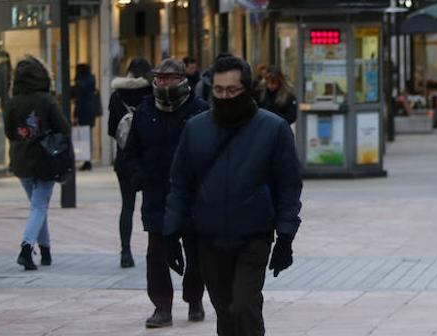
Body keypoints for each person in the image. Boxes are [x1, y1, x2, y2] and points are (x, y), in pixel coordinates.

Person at [164, 55, 302, 336]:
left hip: (254, 234)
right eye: (218, 90)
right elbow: (180, 185)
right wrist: (171, 233)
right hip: (209, 237)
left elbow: (289, 186)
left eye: (232, 90)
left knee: (243, 305)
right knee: (225, 311)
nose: (224, 96)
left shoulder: (273, 129)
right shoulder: (196, 128)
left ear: (247, 90)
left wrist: (285, 235)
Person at [123, 59, 209, 328]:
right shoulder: (145, 111)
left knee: (196, 252)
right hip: (156, 193)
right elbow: (131, 151)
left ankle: (194, 298)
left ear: (182, 79)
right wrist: (139, 177)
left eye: (170, 78)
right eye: (160, 78)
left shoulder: (200, 110)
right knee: (156, 252)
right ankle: (162, 306)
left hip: (192, 197)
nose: (164, 83)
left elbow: (212, 151)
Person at [3, 57, 69, 270]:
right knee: (39, 206)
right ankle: (25, 248)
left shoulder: (13, 102)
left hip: (21, 159)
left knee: (37, 207)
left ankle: (46, 251)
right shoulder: (46, 100)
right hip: (45, 159)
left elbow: (9, 132)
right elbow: (63, 127)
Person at [108, 57, 153, 269]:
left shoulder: (117, 96)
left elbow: (111, 130)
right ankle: (155, 249)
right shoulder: (152, 93)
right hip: (149, 158)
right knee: (153, 203)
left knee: (127, 206)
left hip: (124, 158)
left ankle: (125, 252)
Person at [73, 63, 100, 171]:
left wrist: (75, 115)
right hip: (90, 112)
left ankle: (86, 159)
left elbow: (79, 99)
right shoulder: (91, 80)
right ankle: (87, 159)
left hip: (83, 112)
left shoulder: (81, 82)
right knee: (88, 135)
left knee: (84, 137)